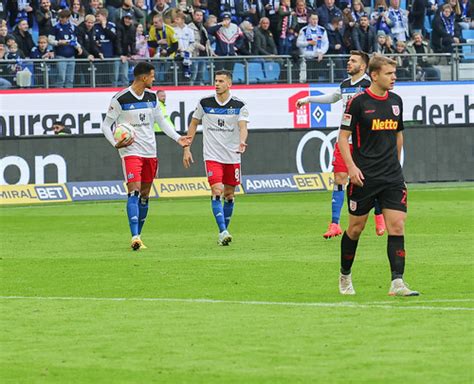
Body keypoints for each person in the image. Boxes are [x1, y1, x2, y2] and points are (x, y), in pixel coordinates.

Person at [337, 55, 419, 297]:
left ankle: (397, 282)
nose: (394, 77)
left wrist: (397, 163)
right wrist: (351, 167)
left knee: (397, 226)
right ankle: (345, 274)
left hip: (392, 176)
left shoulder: (396, 101)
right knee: (355, 228)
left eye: (394, 73)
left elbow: (398, 135)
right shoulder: (357, 102)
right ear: (374, 75)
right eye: (389, 73)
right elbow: (343, 137)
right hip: (364, 176)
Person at [101, 62, 191, 250]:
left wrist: (177, 138)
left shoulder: (152, 97)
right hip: (130, 151)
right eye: (152, 76)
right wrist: (115, 144)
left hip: (151, 151)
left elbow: (161, 121)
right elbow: (105, 125)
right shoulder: (120, 98)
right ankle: (134, 236)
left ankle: (139, 236)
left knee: (144, 195)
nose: (154, 79)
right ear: (143, 77)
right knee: (133, 190)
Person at [296, 50, 386, 239]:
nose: (348, 63)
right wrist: (308, 99)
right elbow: (332, 97)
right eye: (348, 60)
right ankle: (335, 224)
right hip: (345, 141)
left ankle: (379, 217)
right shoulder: (345, 85)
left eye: (352, 61)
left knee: (371, 181)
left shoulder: (370, 84)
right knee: (339, 179)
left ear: (362, 66)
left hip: (366, 142)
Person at [183, 69, 249, 246]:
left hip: (232, 156)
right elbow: (194, 123)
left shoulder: (239, 105)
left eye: (221, 81)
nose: (217, 84)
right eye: (216, 81)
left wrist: (242, 141)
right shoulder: (204, 102)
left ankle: (223, 233)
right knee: (217, 190)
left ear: (229, 84)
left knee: (229, 194)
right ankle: (223, 231)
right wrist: (187, 148)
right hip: (212, 156)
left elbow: (243, 126)